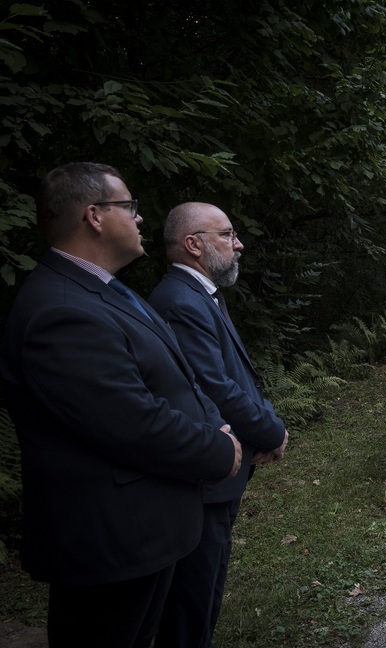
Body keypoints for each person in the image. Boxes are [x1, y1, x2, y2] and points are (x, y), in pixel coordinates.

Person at [0, 163, 241, 648]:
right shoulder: (61, 310)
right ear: (94, 216)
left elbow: (181, 380)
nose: (140, 218)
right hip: (113, 541)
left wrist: (218, 426)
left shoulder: (107, 290)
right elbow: (131, 422)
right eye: (129, 207)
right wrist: (220, 452)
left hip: (147, 533)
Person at [147, 203, 290, 647]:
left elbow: (240, 376)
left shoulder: (201, 295)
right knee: (192, 598)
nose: (239, 243)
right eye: (227, 234)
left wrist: (266, 422)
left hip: (222, 471)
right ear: (194, 244)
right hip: (204, 477)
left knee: (207, 589)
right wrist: (271, 432)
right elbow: (215, 387)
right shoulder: (179, 302)